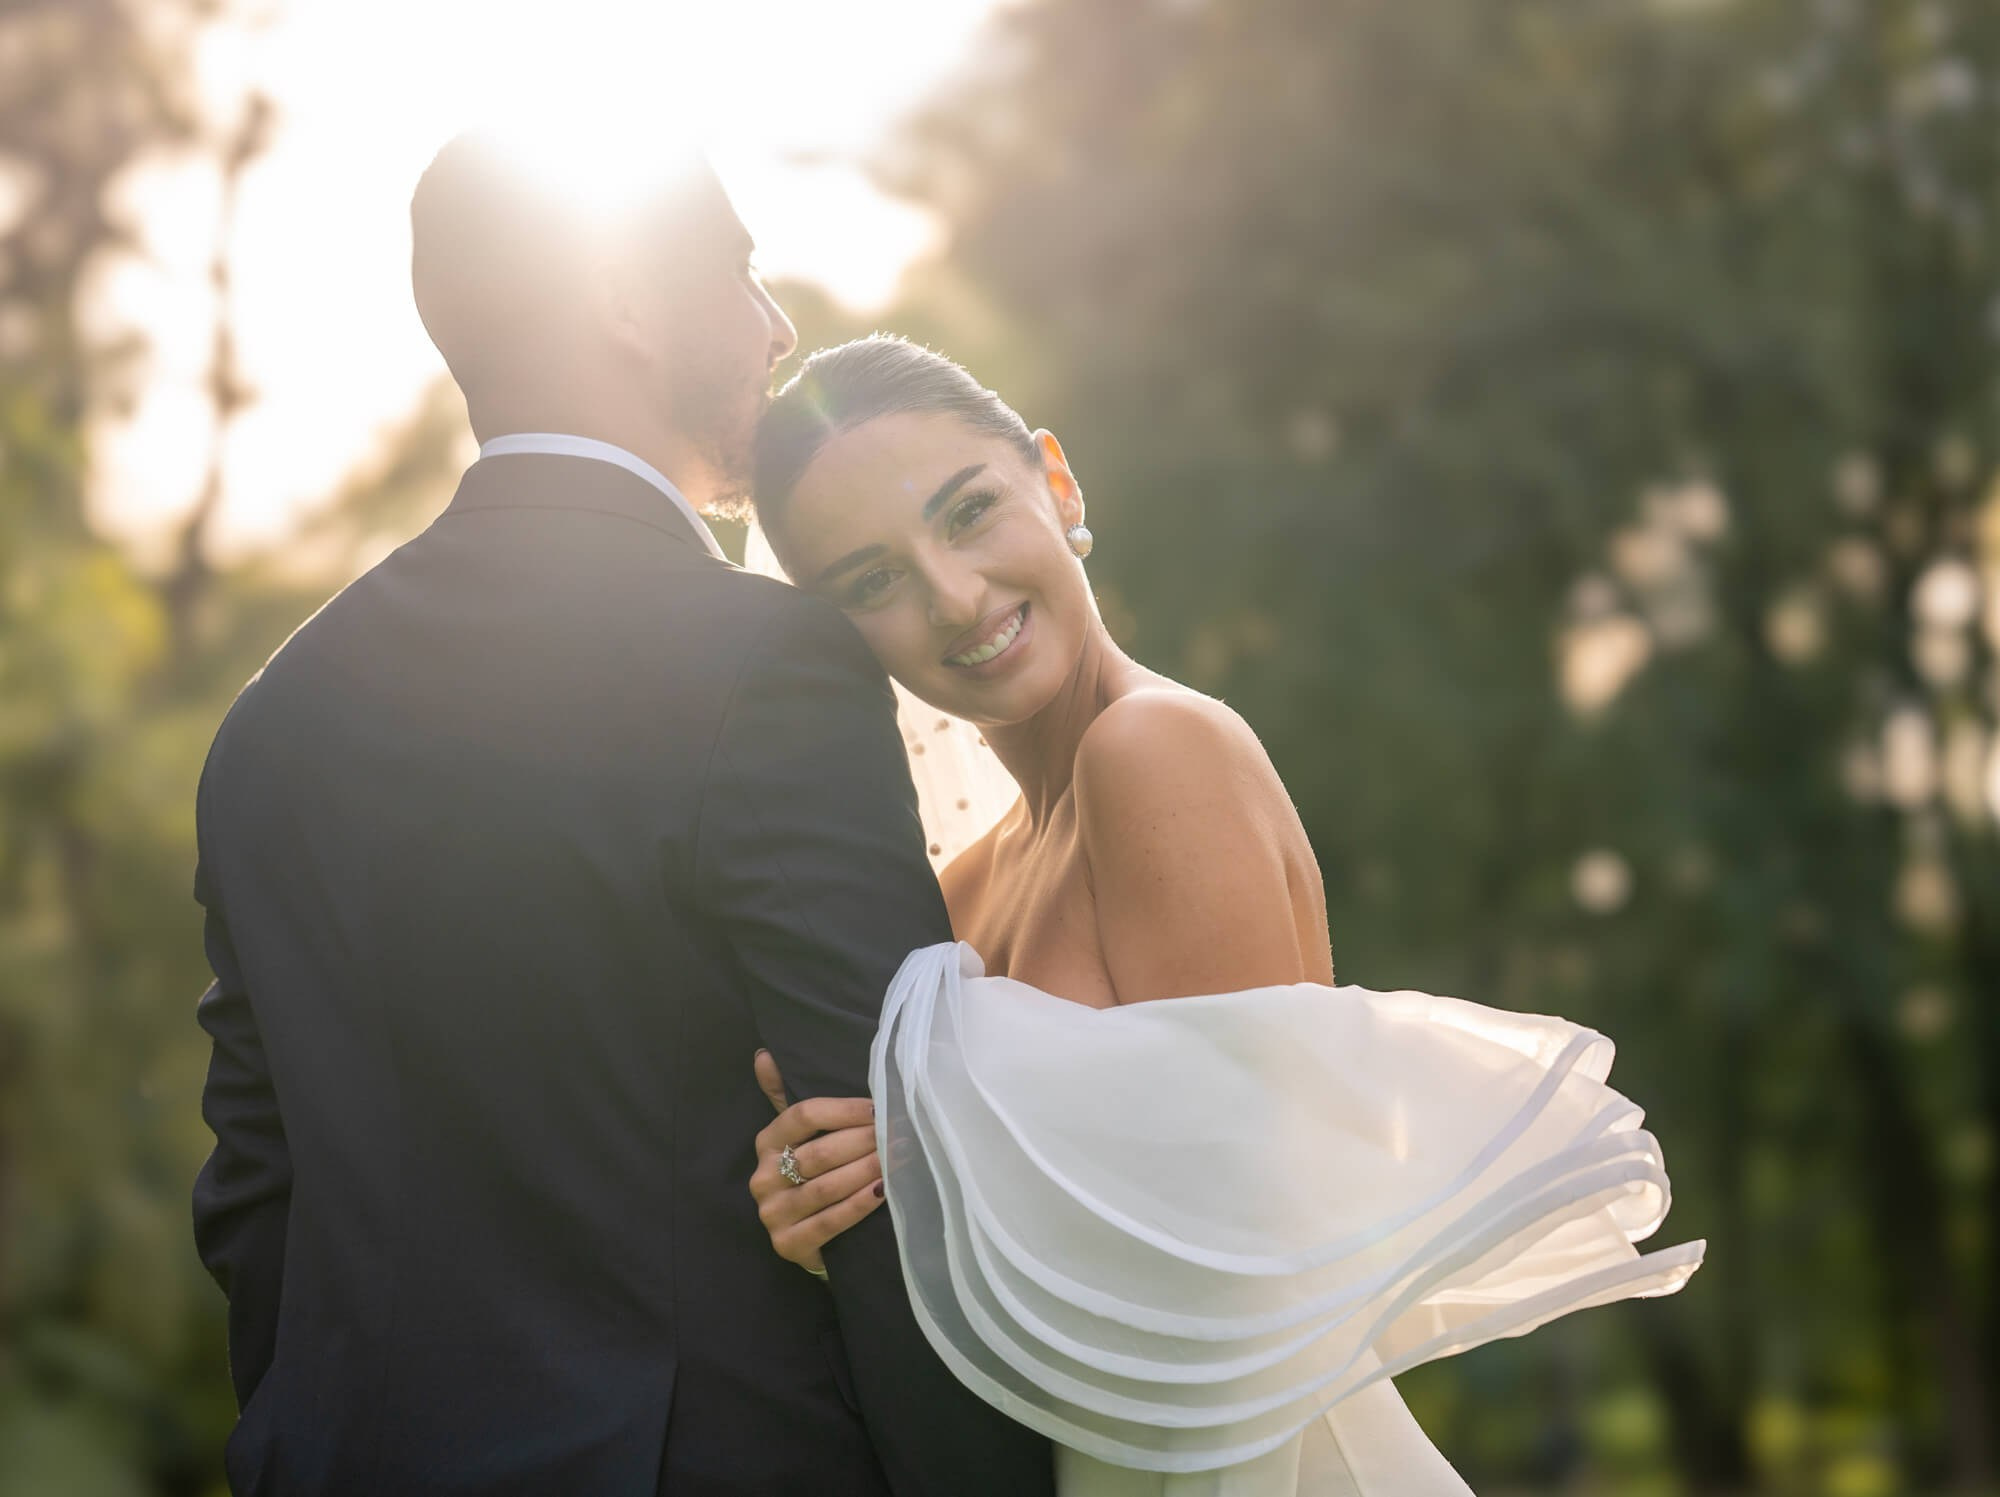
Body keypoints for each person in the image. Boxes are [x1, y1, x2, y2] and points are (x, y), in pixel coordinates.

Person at [188, 131, 1053, 1496]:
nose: (775, 327)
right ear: (631, 303)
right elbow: (890, 1160)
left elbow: (256, 1197)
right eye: (742, 270)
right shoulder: (768, 668)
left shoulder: (269, 726)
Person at [743, 336, 1707, 1495]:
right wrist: (827, 1214)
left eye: (967, 512)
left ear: (1057, 483)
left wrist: (923, 1157)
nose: (953, 597)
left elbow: (1237, 1254)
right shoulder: (957, 892)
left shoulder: (1155, 752)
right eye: (871, 582)